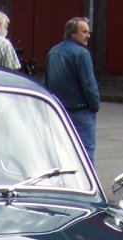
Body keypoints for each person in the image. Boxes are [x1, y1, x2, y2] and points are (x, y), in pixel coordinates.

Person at [45, 17, 99, 164]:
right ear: (73, 33)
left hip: (59, 111)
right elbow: (89, 83)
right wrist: (95, 105)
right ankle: (85, 186)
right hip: (81, 111)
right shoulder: (82, 53)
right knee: (85, 154)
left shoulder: (53, 52)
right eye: (84, 32)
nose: (88, 35)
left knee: (61, 153)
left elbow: (48, 82)